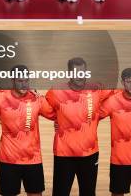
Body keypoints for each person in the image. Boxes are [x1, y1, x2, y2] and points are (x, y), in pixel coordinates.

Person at [45, 58, 113, 196]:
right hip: (64, 154)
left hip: (90, 154)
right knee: (60, 192)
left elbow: (119, 94)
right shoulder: (56, 91)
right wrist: (58, 118)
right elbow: (42, 106)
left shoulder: (96, 89)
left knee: (88, 193)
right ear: (69, 73)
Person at [0, 65, 55, 196]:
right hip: (8, 159)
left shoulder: (36, 99)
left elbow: (56, 114)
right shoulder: (0, 99)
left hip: (33, 159)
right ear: (12, 81)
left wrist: (43, 97)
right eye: (20, 81)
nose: (24, 84)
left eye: (26, 81)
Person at [99, 68, 131, 196]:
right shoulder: (113, 101)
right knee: (117, 193)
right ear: (122, 82)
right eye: (128, 82)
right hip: (120, 158)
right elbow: (93, 117)